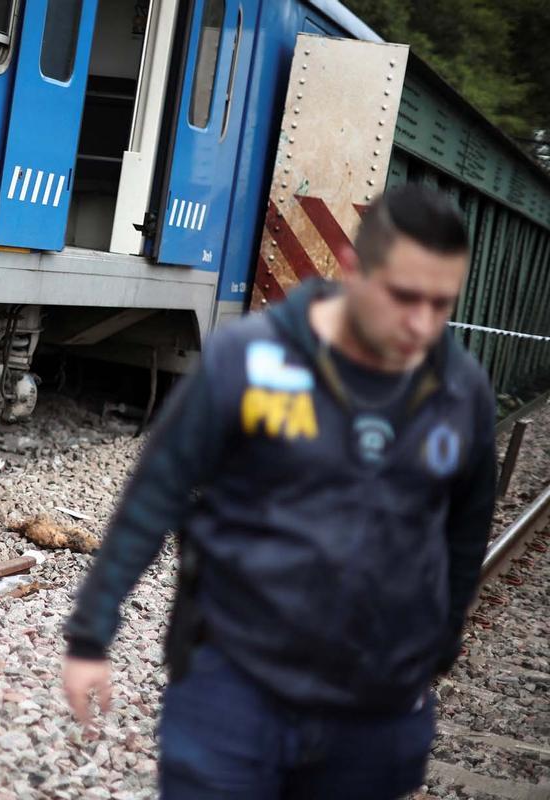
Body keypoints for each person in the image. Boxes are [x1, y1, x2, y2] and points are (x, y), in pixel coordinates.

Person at [62, 185, 496, 799]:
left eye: (441, 303)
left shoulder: (461, 391)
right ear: (352, 270)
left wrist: (438, 649)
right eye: (403, 297)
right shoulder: (250, 359)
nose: (422, 323)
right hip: (235, 694)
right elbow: (154, 494)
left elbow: (466, 529)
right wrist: (90, 635)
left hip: (376, 716)